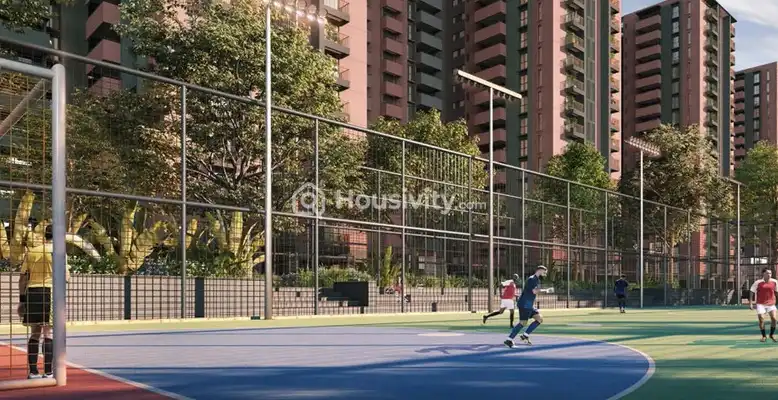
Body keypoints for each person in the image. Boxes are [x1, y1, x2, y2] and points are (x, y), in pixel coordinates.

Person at [17, 225, 69, 379]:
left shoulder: (32, 252)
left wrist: (22, 301)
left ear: (45, 235)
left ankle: (33, 371)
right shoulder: (59, 252)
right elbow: (66, 277)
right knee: (48, 333)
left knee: (34, 333)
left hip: (32, 292)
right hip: (49, 292)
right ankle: (48, 372)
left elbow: (22, 279)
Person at [504, 266, 547, 347]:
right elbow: (534, 291)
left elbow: (534, 291)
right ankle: (509, 340)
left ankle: (525, 335)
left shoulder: (536, 279)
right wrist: (545, 290)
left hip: (529, 305)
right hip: (524, 304)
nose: (545, 274)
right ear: (540, 270)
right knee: (523, 323)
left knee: (539, 318)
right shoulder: (532, 279)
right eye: (544, 272)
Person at [749, 268, 778, 343]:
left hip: (771, 303)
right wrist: (751, 303)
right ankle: (764, 336)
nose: (769, 275)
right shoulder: (758, 282)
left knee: (774, 319)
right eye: (767, 273)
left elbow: (777, 292)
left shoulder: (775, 282)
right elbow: (751, 291)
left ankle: (771, 335)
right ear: (763, 274)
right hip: (760, 304)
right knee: (761, 319)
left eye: (770, 273)